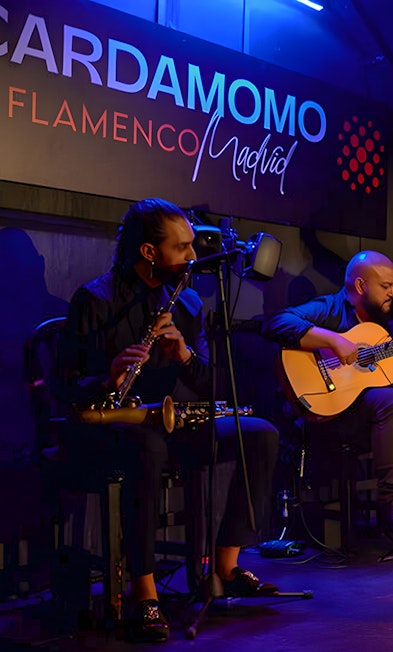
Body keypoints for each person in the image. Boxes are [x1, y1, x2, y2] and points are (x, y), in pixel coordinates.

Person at [58, 198, 279, 643]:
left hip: (175, 421)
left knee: (259, 435)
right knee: (146, 447)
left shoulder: (189, 302)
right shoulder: (95, 300)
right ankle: (146, 592)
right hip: (114, 429)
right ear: (149, 253)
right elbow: (66, 387)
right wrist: (108, 375)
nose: (194, 257)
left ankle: (226, 566)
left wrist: (184, 356)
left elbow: (212, 385)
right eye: (182, 248)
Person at [263, 251, 393, 551]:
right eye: (385, 286)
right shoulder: (329, 309)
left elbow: (390, 384)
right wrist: (333, 340)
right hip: (328, 417)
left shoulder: (388, 331)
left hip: (371, 419)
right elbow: (276, 323)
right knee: (391, 402)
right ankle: (392, 505)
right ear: (360, 285)